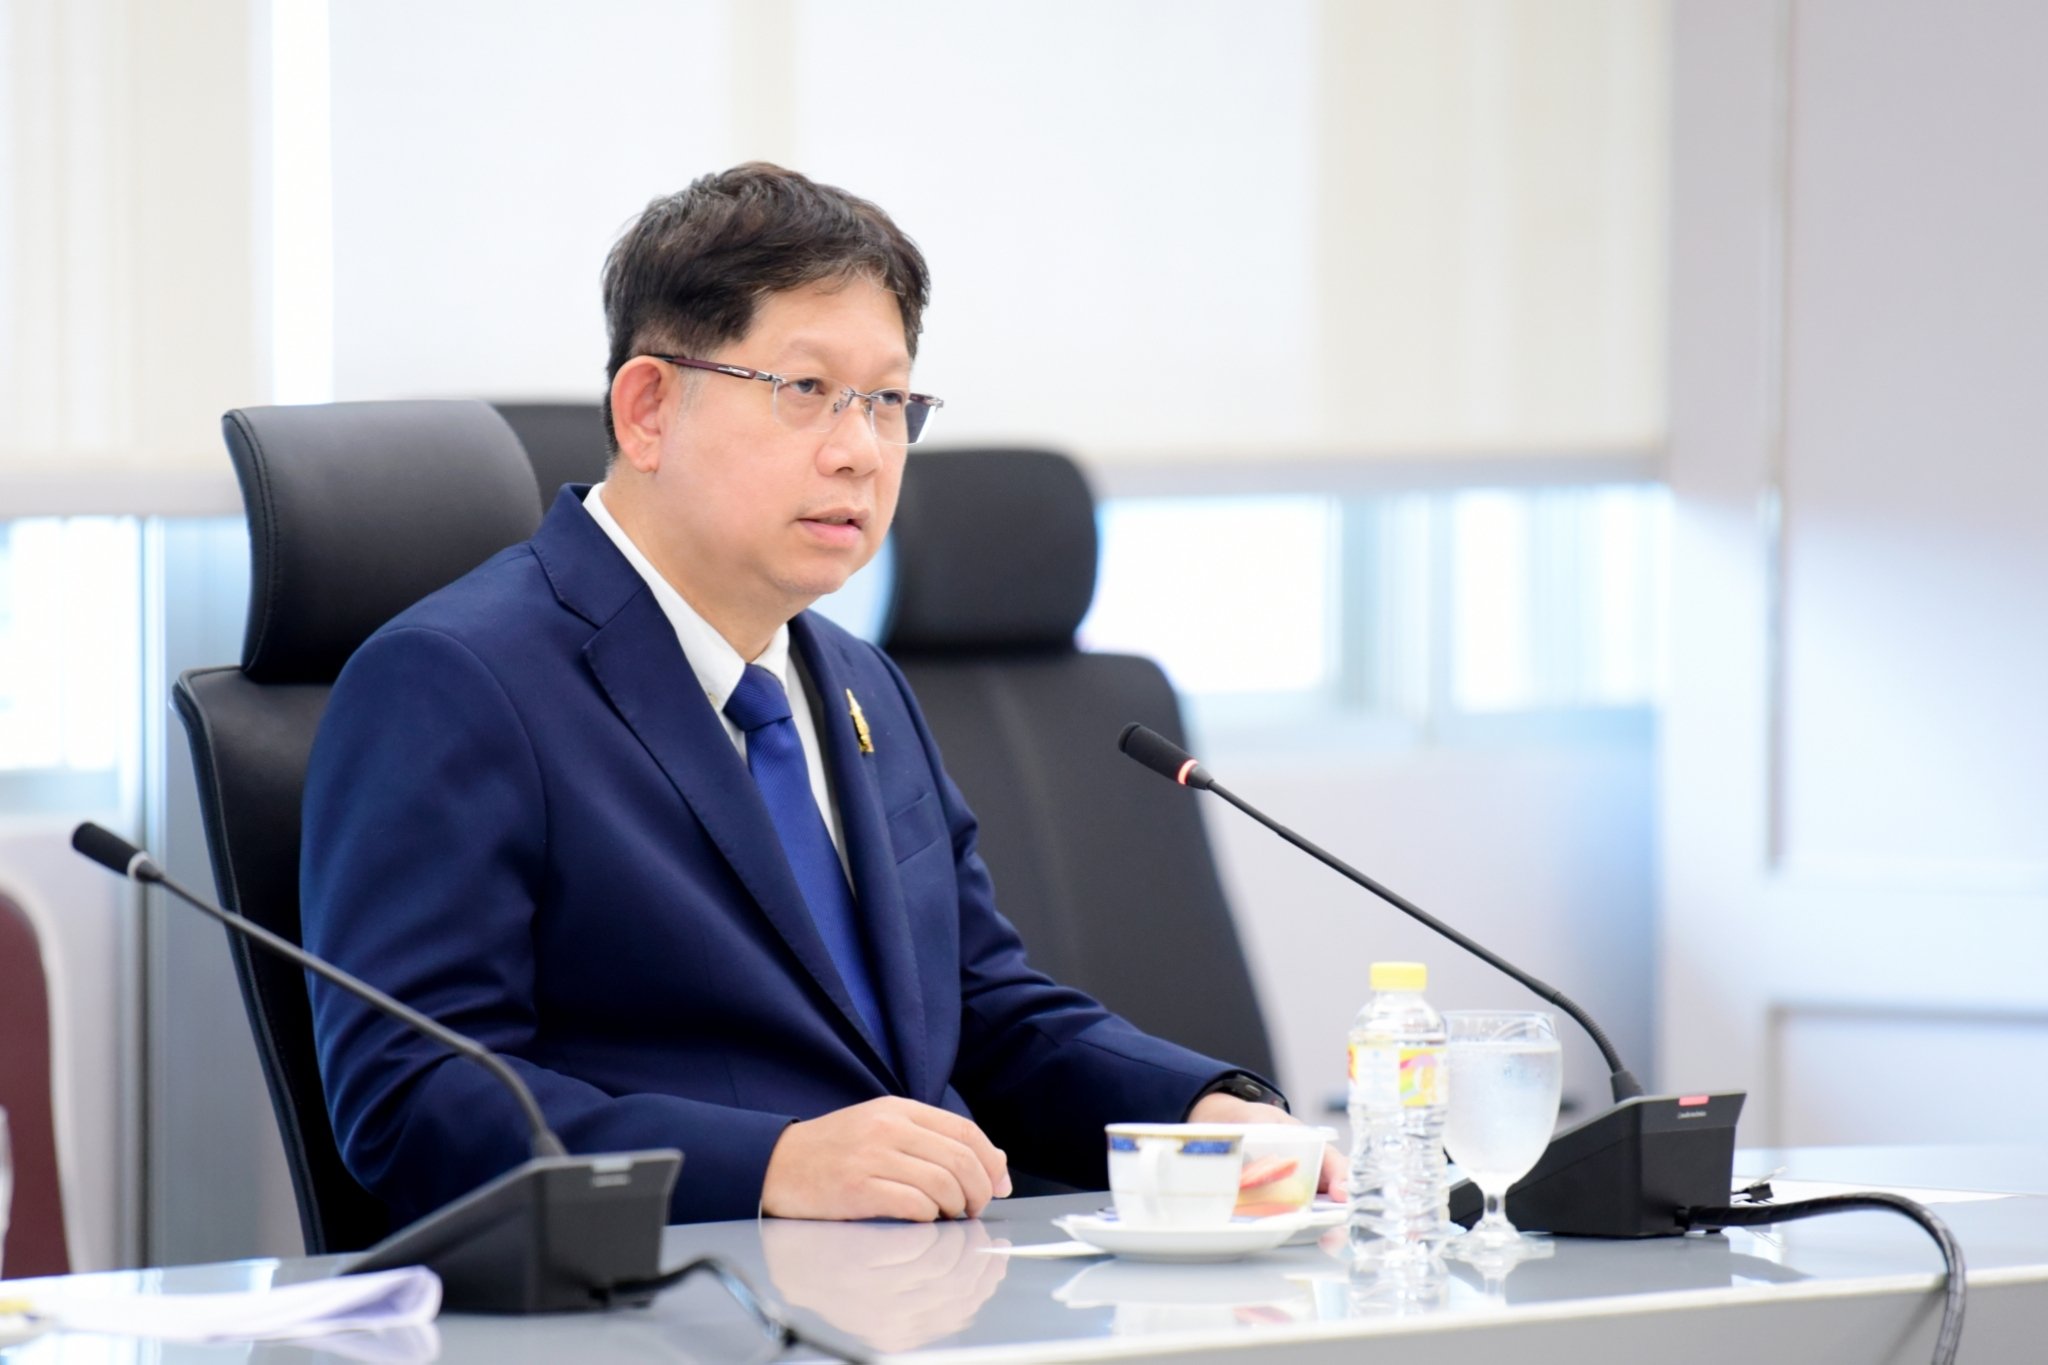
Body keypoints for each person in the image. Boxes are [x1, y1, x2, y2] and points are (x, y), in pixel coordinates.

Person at [301, 163, 1327, 1227]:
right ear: (647, 410)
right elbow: (411, 1099)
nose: (860, 453)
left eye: (887, 402)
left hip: (921, 1282)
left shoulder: (856, 680)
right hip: (678, 1295)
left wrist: (1201, 1107)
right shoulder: (455, 681)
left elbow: (977, 1007)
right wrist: (771, 1163)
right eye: (805, 391)